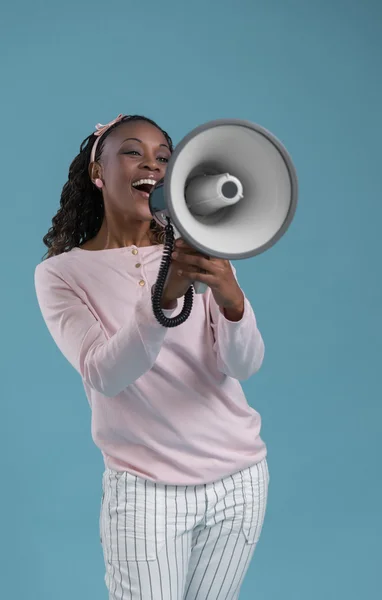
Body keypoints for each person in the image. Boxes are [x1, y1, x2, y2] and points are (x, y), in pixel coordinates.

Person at [34, 113, 270, 600]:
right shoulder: (63, 275)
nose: (153, 165)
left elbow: (243, 366)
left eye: (164, 156)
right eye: (133, 152)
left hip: (239, 482)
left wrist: (231, 298)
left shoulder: (195, 248)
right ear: (97, 174)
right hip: (147, 493)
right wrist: (165, 295)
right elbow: (105, 373)